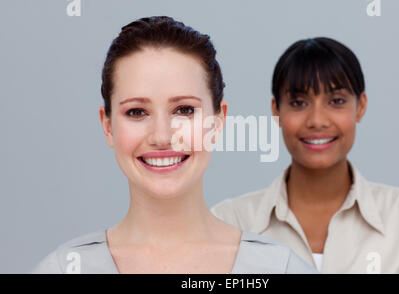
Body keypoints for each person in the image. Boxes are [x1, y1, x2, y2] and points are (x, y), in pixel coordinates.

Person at [31, 16, 315, 274]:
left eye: (184, 110)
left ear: (217, 122)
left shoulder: (280, 269)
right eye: (136, 112)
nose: (162, 136)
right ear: (107, 126)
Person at [211, 37, 399, 274]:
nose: (317, 121)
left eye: (336, 101)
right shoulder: (229, 222)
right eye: (298, 103)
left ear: (361, 106)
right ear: (276, 111)